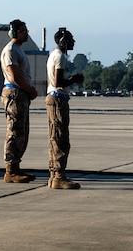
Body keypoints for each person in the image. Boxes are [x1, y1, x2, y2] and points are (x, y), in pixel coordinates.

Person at [46, 27, 85, 189]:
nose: (73, 42)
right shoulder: (60, 57)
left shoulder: (53, 55)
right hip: (58, 98)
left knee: (55, 136)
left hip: (54, 98)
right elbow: (58, 82)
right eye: (71, 39)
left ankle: (54, 175)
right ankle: (59, 177)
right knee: (60, 138)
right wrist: (74, 79)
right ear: (64, 41)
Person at [1, 19, 39, 183]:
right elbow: (15, 76)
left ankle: (16, 167)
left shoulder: (19, 50)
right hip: (15, 93)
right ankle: (10, 170)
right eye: (23, 31)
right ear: (14, 33)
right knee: (15, 131)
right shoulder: (10, 50)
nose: (26, 33)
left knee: (22, 132)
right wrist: (30, 90)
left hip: (21, 93)